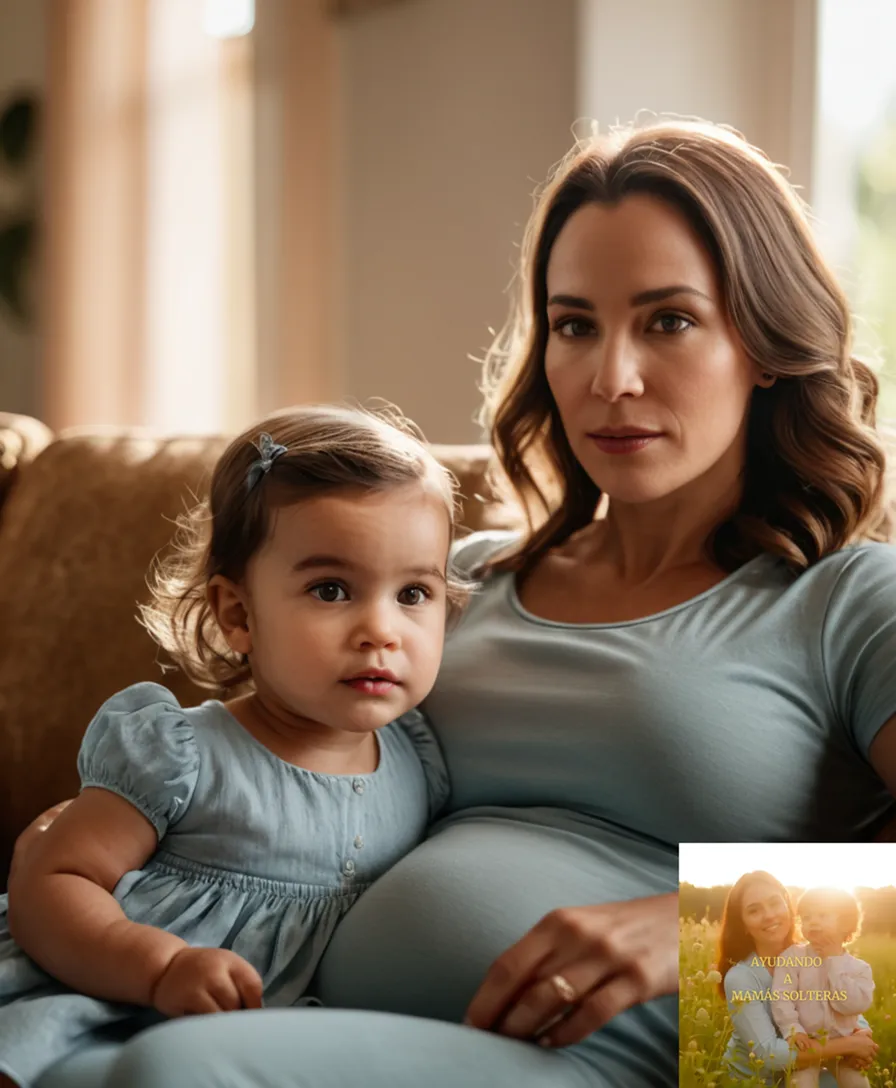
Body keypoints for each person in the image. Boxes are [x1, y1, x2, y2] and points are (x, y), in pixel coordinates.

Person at [10, 119, 896, 1088]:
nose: (610, 379)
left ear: (763, 342)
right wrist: (106, 838)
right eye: (573, 324)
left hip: (619, 1058)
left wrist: (685, 927)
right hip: (328, 1014)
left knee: (179, 1075)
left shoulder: (846, 600)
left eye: (667, 319)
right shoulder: (454, 582)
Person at [0, 405, 467, 1088]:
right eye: (331, 590)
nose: (381, 629)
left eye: (414, 592)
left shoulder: (418, 758)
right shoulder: (181, 752)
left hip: (260, 1037)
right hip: (97, 988)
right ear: (237, 614)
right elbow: (53, 881)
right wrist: (158, 966)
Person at [718, 872, 878, 1086]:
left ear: (788, 906)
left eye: (775, 903)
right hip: (756, 1079)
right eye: (754, 910)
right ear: (744, 924)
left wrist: (861, 1032)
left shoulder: (814, 954)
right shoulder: (741, 978)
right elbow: (768, 1054)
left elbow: (833, 999)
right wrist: (849, 1045)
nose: (769, 915)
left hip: (807, 1064)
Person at [771, 887, 875, 1087]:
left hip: (843, 1049)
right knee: (801, 1083)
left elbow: (852, 1006)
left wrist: (833, 961)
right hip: (806, 1044)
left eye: (822, 915)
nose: (813, 922)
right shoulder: (792, 958)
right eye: (807, 917)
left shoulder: (859, 968)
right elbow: (781, 997)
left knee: (858, 1083)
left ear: (845, 923)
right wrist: (793, 1030)